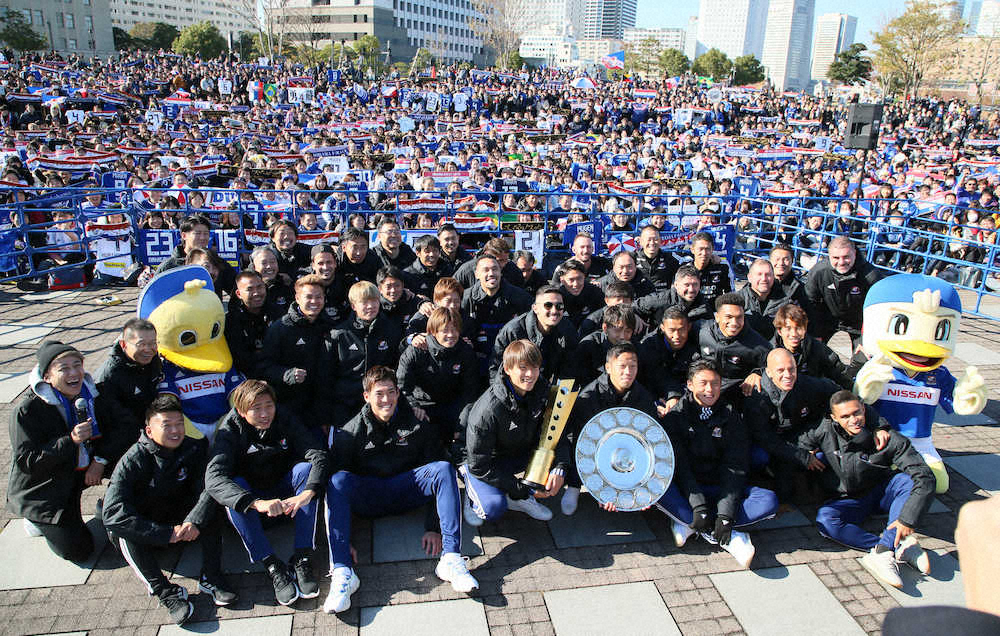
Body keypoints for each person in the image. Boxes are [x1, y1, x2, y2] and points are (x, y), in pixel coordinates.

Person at [324, 366, 478, 613]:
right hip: (370, 497)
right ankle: (343, 572)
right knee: (336, 480)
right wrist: (346, 539)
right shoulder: (350, 432)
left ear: (398, 393)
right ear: (366, 396)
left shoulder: (416, 422)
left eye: (391, 392)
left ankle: (451, 559)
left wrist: (433, 526)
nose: (386, 400)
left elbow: (435, 467)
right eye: (379, 394)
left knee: (442, 468)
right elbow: (339, 491)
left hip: (405, 491)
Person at [102, 395, 236, 625]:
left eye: (179, 424)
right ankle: (165, 592)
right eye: (167, 426)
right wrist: (165, 534)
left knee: (211, 506)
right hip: (149, 526)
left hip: (182, 521)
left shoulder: (192, 448)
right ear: (149, 430)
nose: (175, 431)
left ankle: (211, 577)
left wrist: (194, 520)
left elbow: (208, 486)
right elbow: (112, 513)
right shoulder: (132, 460)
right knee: (122, 532)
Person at [206, 380, 330, 607]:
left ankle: (301, 557)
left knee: (305, 470)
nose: (264, 414)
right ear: (242, 412)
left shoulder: (283, 417)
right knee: (235, 485)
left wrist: (308, 492)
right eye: (256, 408)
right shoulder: (229, 430)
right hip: (255, 504)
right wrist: (256, 503)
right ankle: (272, 565)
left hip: (287, 498)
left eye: (268, 405)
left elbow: (317, 453)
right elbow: (214, 480)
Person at [799, 390, 935, 589]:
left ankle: (885, 550)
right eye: (845, 417)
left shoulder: (888, 438)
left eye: (857, 413)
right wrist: (806, 454)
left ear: (864, 409)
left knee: (907, 481)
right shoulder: (824, 429)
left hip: (881, 492)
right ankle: (890, 546)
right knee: (826, 521)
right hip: (848, 499)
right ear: (834, 418)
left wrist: (908, 519)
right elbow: (799, 443)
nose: (853, 420)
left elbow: (925, 476)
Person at [658, 360, 779, 569]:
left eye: (715, 383)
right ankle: (719, 529)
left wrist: (725, 514)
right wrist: (698, 504)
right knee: (656, 491)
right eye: (703, 383)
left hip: (720, 487)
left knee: (768, 500)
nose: (709, 389)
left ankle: (705, 526)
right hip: (689, 489)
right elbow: (681, 468)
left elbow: (735, 468)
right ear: (689, 384)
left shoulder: (731, 416)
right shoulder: (676, 416)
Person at [8, 341, 117, 562]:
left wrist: (100, 460)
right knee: (79, 551)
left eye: (78, 365)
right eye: (64, 368)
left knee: (130, 455)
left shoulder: (90, 395)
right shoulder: (28, 410)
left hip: (80, 469)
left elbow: (122, 426)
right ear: (47, 377)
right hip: (45, 489)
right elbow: (27, 461)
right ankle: (35, 520)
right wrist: (71, 440)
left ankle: (113, 504)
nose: (74, 373)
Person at [461, 340, 563, 524]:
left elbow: (556, 432)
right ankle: (471, 493)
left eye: (535, 367)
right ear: (507, 369)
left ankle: (516, 499)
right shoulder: (488, 410)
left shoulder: (543, 391)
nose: (530, 374)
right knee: (492, 509)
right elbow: (479, 464)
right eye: (523, 368)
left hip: (516, 452)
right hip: (484, 462)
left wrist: (559, 467)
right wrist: (522, 488)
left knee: (551, 472)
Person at [562, 342, 658, 515]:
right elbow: (580, 442)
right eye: (622, 366)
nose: (628, 372)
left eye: (632, 366)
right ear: (608, 367)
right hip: (593, 452)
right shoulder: (589, 396)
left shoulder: (643, 397)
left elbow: (648, 440)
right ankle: (574, 485)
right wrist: (602, 488)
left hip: (625, 455)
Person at [743, 349, 845, 502]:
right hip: (767, 443)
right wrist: (802, 456)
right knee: (761, 458)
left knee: (822, 453)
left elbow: (843, 395)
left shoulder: (807, 384)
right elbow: (764, 438)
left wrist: (878, 426)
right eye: (780, 370)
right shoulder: (756, 396)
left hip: (798, 436)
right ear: (769, 373)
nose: (788, 375)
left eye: (792, 369)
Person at [257, 275, 336, 428]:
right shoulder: (280, 329)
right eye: (309, 297)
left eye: (319, 297)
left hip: (320, 408)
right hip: (288, 407)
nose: (314, 301)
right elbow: (264, 367)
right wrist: (287, 374)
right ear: (297, 298)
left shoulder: (329, 326)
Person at [327, 281, 405, 429]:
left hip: (380, 405)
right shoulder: (338, 335)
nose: (370, 306)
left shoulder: (391, 330)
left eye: (374, 301)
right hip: (345, 407)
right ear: (353, 306)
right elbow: (326, 378)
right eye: (364, 302)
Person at [398, 307, 479, 450]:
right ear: (433, 331)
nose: (451, 335)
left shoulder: (465, 350)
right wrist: (414, 406)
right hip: (423, 404)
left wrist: (464, 419)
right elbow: (402, 388)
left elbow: (470, 392)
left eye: (454, 330)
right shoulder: (417, 350)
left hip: (452, 405)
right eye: (445, 330)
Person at [94, 318, 162, 459]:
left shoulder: (153, 361)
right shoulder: (108, 377)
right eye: (141, 344)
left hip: (148, 432)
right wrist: (102, 458)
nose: (148, 350)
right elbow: (112, 422)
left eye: (153, 343)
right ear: (124, 344)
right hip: (123, 445)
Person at [489, 285, 579, 386]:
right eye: (548, 305)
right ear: (535, 308)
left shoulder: (567, 329)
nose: (554, 311)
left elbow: (568, 371)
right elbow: (496, 370)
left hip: (543, 388)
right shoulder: (513, 331)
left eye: (559, 306)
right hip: (516, 389)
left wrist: (560, 398)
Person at [804, 236, 883, 349]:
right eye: (836, 257)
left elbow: (877, 310)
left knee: (863, 357)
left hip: (859, 324)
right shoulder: (819, 272)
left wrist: (866, 338)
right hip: (829, 322)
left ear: (854, 253)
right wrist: (815, 334)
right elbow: (810, 304)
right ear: (829, 255)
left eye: (846, 257)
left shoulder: (871, 275)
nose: (841, 262)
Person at [461, 254, 533, 379]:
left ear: (501, 272)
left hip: (509, 360)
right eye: (486, 270)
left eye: (495, 269)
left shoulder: (520, 297)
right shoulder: (466, 298)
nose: (491, 273)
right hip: (476, 360)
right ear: (476, 274)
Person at [696, 293, 772, 398]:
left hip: (737, 392)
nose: (734, 323)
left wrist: (758, 373)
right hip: (707, 388)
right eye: (729, 317)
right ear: (717, 317)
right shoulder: (702, 332)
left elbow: (773, 364)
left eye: (739, 317)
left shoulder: (757, 344)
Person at [771, 304, 853, 389]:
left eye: (798, 328)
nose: (794, 334)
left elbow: (839, 372)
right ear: (780, 331)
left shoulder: (816, 348)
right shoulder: (769, 350)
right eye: (788, 328)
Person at [638, 307, 700, 417]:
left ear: (689, 327)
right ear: (662, 328)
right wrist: (654, 403)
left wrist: (677, 398)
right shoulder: (648, 346)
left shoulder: (696, 343)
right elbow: (649, 378)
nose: (676, 336)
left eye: (681, 329)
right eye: (671, 330)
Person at [154, 214, 236, 294]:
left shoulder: (216, 263)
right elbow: (154, 296)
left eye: (206, 233)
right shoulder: (169, 267)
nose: (203, 238)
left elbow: (236, 290)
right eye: (198, 233)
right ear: (184, 235)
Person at [571, 304, 637, 388]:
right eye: (618, 330)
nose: (622, 336)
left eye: (627, 331)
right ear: (605, 328)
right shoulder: (588, 346)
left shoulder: (633, 346)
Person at [225, 270, 270, 377]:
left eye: (260, 287)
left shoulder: (277, 313)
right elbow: (240, 359)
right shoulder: (230, 321)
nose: (256, 293)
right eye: (250, 289)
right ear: (239, 294)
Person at [636, 265, 712, 325]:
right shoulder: (661, 300)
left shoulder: (703, 305)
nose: (691, 289)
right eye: (686, 285)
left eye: (695, 284)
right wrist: (635, 317)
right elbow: (633, 307)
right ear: (676, 285)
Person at [736, 259, 790, 339]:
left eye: (768, 274)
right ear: (749, 277)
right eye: (759, 274)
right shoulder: (737, 301)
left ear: (773, 277)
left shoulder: (786, 301)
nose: (764, 279)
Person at [557, 258, 606, 328]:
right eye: (571, 280)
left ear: (584, 277)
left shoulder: (595, 292)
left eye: (579, 278)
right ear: (562, 280)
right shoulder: (557, 296)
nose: (576, 284)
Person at [688, 232, 732, 307]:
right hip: (691, 313)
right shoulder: (684, 267)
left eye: (707, 249)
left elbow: (730, 294)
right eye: (700, 249)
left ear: (712, 249)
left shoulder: (722, 267)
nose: (704, 253)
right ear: (692, 249)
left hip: (715, 313)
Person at [635, 224, 679, 291]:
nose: (652, 243)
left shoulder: (670, 260)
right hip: (639, 299)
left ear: (660, 241)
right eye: (648, 239)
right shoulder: (632, 259)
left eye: (655, 239)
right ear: (641, 242)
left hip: (662, 299)